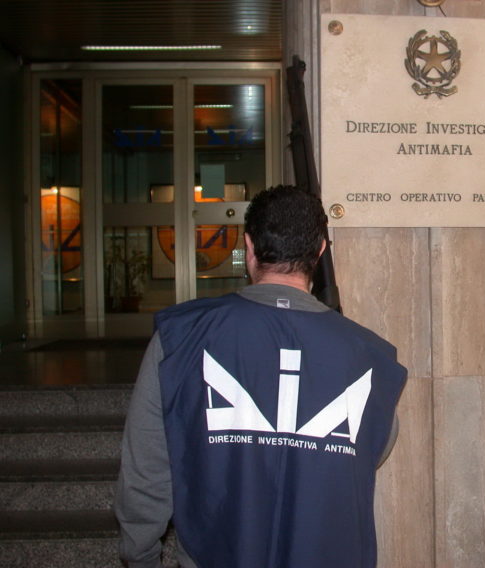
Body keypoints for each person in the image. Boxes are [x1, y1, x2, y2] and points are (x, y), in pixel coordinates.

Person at [115, 185, 407, 568]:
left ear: (249, 247)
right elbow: (376, 446)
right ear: (320, 250)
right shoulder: (369, 356)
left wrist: (139, 556)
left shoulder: (182, 338)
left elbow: (147, 469)